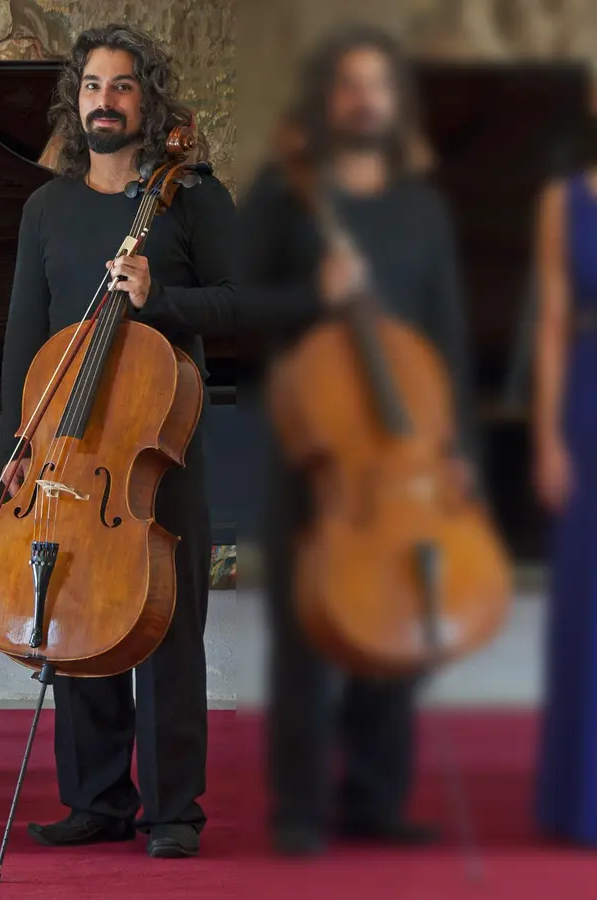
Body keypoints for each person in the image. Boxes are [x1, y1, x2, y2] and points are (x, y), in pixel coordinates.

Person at [236, 27, 477, 856]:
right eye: (350, 86)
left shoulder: (418, 208)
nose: (364, 100)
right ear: (328, 100)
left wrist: (462, 450)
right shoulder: (284, 192)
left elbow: (445, 335)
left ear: (392, 101)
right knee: (306, 636)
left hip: (406, 452)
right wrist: (315, 294)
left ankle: (377, 797)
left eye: (379, 86)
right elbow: (243, 306)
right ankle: (299, 809)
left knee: (398, 621)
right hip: (312, 448)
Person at [1, 23, 239, 860]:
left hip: (158, 445)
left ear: (149, 98)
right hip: (70, 450)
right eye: (93, 86)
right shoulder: (47, 208)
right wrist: (15, 457)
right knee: (79, 621)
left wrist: (160, 296)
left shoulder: (194, 196)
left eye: (123, 85)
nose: (106, 99)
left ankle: (174, 810)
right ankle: (97, 800)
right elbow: (26, 343)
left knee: (168, 629)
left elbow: (241, 305)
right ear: (78, 100)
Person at [530, 118, 597, 849]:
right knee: (588, 596)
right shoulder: (564, 200)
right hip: (589, 400)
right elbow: (550, 322)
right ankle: (584, 796)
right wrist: (547, 438)